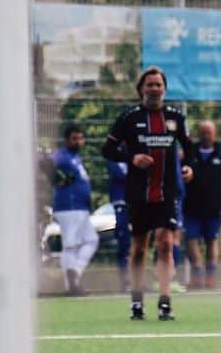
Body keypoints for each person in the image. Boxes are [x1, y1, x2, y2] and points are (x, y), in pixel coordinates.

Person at [101, 66, 193, 321]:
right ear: (141, 89)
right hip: (139, 194)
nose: (154, 89)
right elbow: (107, 150)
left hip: (167, 193)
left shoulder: (175, 117)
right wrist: (132, 157)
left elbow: (190, 148)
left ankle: (165, 302)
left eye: (158, 85)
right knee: (139, 248)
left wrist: (188, 167)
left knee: (165, 243)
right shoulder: (129, 117)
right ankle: (137, 301)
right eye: (149, 85)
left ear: (164, 89)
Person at [184, 119, 221, 289]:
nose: (206, 135)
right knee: (191, 239)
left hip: (214, 206)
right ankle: (197, 273)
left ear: (215, 134)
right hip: (191, 205)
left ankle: (211, 275)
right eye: (203, 132)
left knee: (212, 240)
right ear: (199, 133)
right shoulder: (190, 153)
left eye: (209, 132)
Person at [49, 124, 98, 295]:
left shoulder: (75, 157)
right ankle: (71, 285)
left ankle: (74, 273)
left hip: (80, 206)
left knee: (91, 240)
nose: (78, 142)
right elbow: (44, 161)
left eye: (81, 138)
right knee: (71, 245)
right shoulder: (62, 156)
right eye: (74, 138)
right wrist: (55, 179)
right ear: (67, 140)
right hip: (69, 205)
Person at [106, 154, 131, 292]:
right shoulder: (115, 156)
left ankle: (136, 279)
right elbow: (123, 176)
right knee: (124, 242)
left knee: (139, 242)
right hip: (122, 203)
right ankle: (125, 279)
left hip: (137, 203)